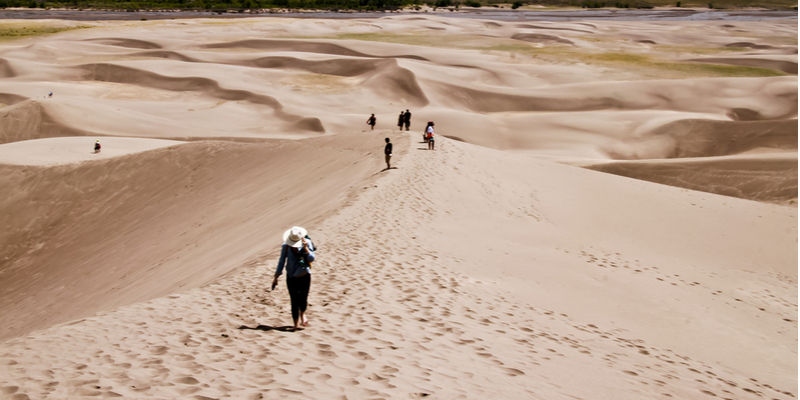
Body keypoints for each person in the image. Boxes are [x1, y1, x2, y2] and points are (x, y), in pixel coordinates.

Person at [272, 226, 315, 331]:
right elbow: (282, 261)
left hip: (305, 276)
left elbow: (311, 259)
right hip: (291, 277)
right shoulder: (286, 246)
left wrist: (305, 249)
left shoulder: (307, 243)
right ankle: (295, 324)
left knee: (303, 299)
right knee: (294, 301)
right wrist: (276, 277)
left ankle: (302, 314)